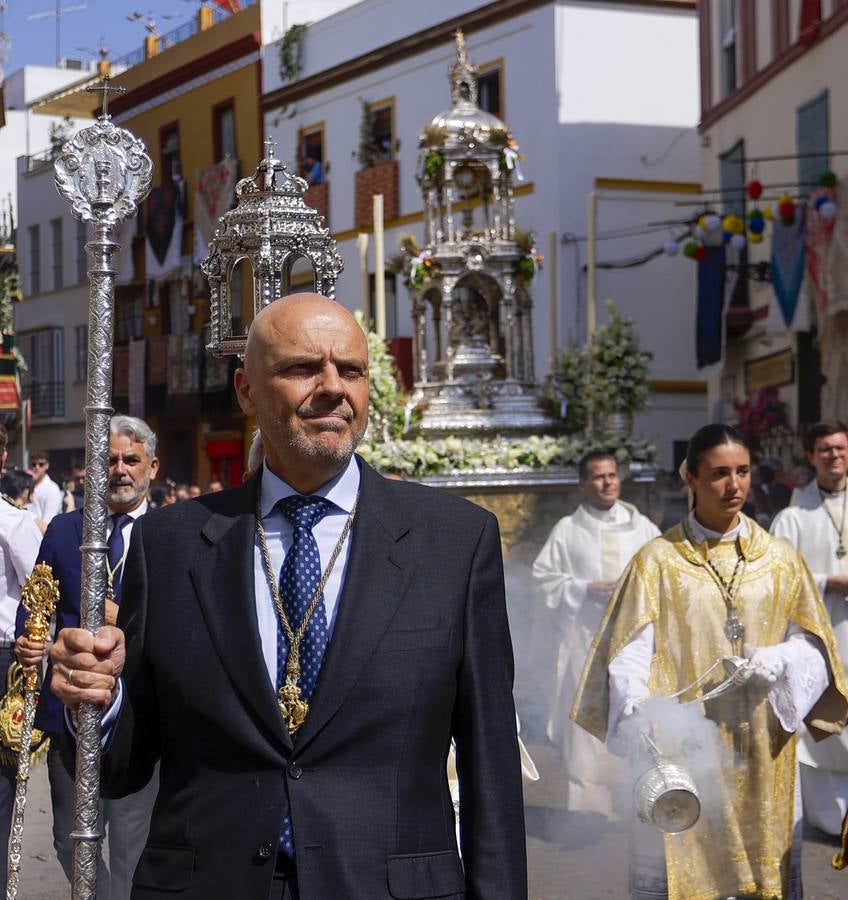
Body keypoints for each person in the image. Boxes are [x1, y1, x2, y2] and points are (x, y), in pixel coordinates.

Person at [48, 293, 527, 900]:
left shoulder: (454, 542)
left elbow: (491, 765)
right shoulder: (169, 546)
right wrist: (99, 699)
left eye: (350, 370)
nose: (333, 387)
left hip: (389, 885)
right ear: (247, 391)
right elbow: (125, 766)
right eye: (303, 368)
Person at [571, 424, 848, 900]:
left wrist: (781, 658)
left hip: (766, 748)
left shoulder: (781, 561)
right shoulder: (656, 562)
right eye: (719, 473)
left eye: (741, 471)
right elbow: (630, 650)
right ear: (691, 478)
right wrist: (639, 707)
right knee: (687, 867)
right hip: (684, 750)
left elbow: (815, 646)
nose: (734, 485)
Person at [15, 415, 161, 900]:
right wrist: (29, 640)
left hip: (139, 717)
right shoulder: (64, 530)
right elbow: (35, 604)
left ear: (152, 467)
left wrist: (129, 621)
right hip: (69, 713)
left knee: (130, 843)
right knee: (67, 838)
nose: (119, 470)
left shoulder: (172, 531)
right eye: (109, 460)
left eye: (131, 460)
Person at [532, 451, 659, 816]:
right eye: (599, 477)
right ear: (583, 485)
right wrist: (584, 588)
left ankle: (639, 804)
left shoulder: (643, 528)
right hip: (584, 643)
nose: (608, 483)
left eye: (612, 475)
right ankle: (589, 812)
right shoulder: (567, 531)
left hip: (635, 643)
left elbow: (663, 574)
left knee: (635, 715)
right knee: (584, 731)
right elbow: (544, 579)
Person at [771, 421, 848, 836]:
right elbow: (778, 575)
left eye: (839, 448)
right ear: (810, 456)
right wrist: (828, 582)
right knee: (823, 726)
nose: (833, 455)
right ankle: (831, 821)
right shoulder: (792, 517)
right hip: (819, 637)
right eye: (825, 449)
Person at [0, 425, 42, 892]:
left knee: (2, 788)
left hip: (2, 662)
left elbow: (40, 591)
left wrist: (34, 645)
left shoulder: (12, 523)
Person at [27, 451, 62, 525]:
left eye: (41, 464)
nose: (36, 467)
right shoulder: (27, 486)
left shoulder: (52, 488)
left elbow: (48, 521)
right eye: (34, 464)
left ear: (47, 466)